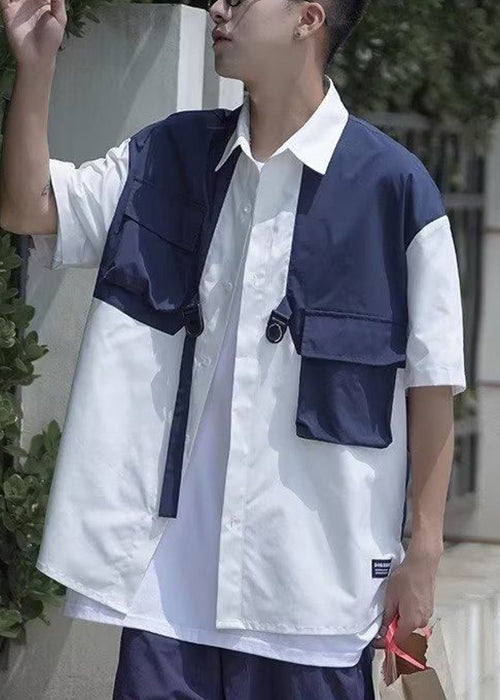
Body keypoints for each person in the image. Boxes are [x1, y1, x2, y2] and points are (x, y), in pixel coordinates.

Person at [0, 0, 466, 696]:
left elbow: (433, 388)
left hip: (313, 602)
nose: (219, 6)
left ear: (308, 18)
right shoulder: (166, 156)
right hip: (165, 598)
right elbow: (29, 206)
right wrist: (36, 68)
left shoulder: (396, 192)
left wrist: (422, 554)